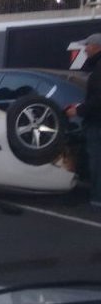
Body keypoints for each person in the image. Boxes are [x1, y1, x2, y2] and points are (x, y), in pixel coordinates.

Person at [67, 33, 101, 209]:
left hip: (97, 122)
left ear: (96, 47)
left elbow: (98, 99)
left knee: (96, 160)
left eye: (87, 46)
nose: (85, 49)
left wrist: (78, 110)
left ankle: (97, 200)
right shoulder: (95, 67)